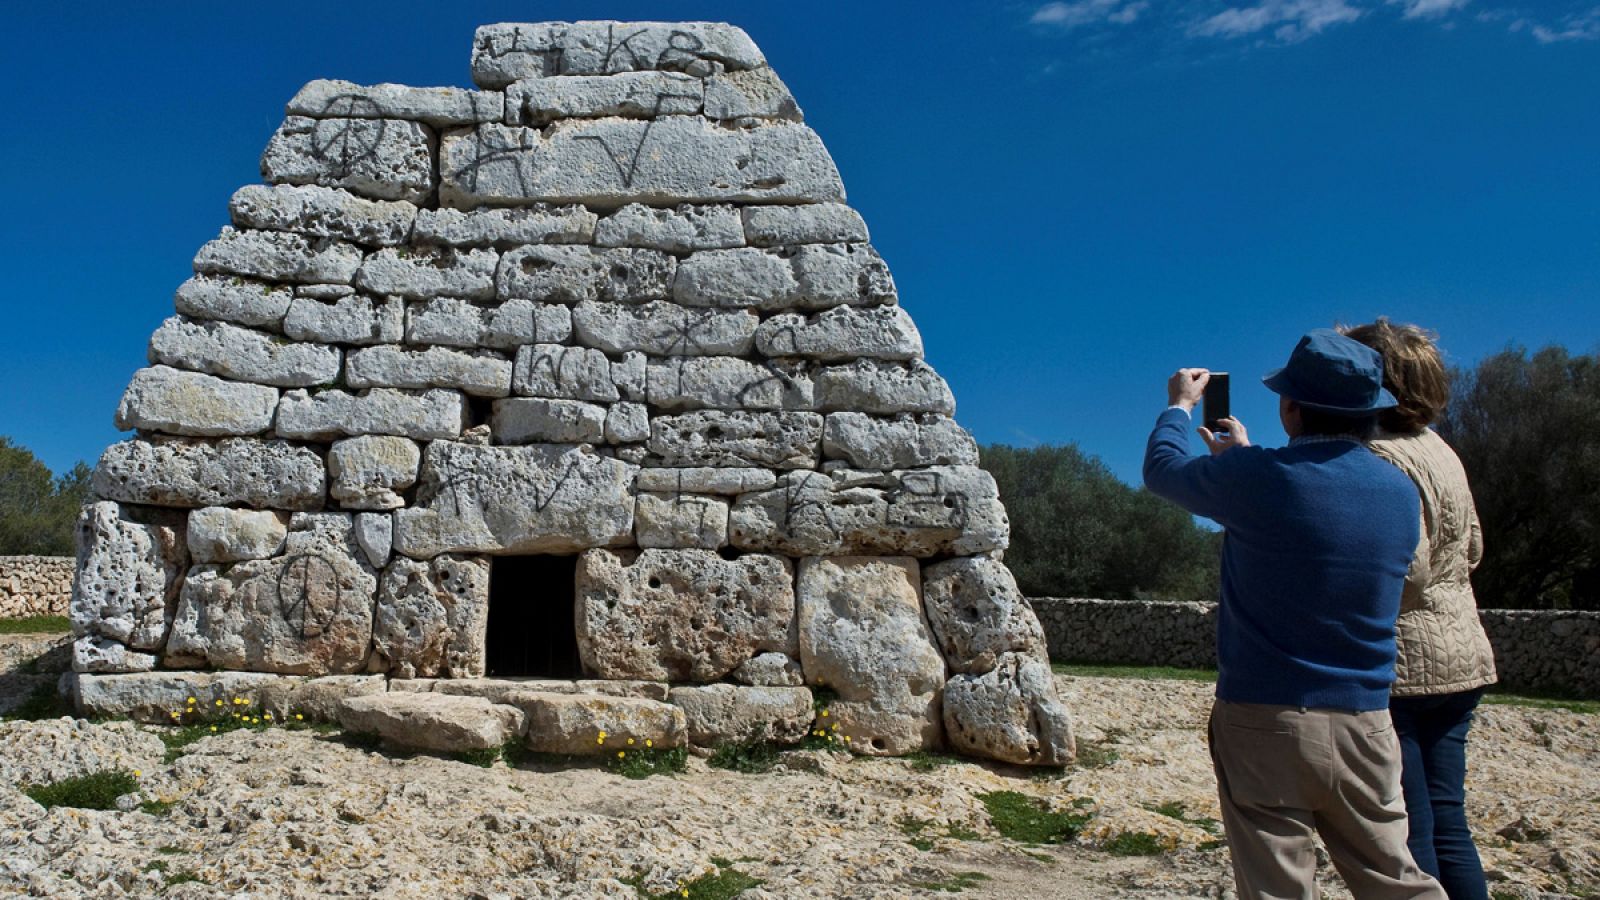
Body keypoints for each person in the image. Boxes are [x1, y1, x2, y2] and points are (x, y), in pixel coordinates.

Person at [1143, 329, 1445, 900]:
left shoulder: (1258, 478)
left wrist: (1178, 407)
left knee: (1277, 886)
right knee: (1396, 881)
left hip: (1265, 716)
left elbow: (1162, 471)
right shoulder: (1400, 491)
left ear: (1290, 407)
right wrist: (1249, 463)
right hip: (1366, 721)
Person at [1343, 318, 1497, 900]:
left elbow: (1409, 572)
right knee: (1449, 819)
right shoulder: (1442, 450)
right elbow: (1475, 546)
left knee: (1411, 832)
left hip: (1405, 666)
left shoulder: (1380, 457)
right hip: (1463, 656)